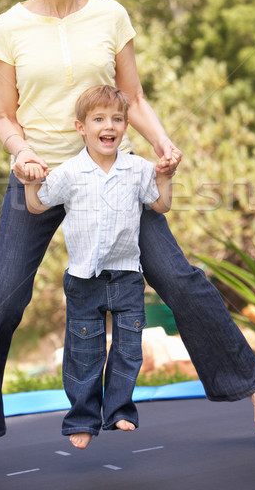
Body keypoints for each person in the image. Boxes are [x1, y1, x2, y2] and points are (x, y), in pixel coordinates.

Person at [0, 0, 255, 471]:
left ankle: (253, 383)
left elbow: (135, 98)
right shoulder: (9, 27)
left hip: (111, 174)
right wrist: (21, 155)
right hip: (42, 175)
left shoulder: (110, 15)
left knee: (177, 275)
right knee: (0, 298)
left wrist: (163, 144)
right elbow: (5, 117)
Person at [24, 84, 172, 449]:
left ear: (125, 127)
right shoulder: (70, 172)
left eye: (117, 119)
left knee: (128, 348)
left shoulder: (138, 169)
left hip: (127, 275)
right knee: (84, 352)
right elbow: (38, 205)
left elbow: (161, 205)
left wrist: (165, 176)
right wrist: (30, 183)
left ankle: (119, 409)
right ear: (81, 127)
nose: (110, 125)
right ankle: (83, 418)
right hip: (83, 279)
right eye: (99, 119)